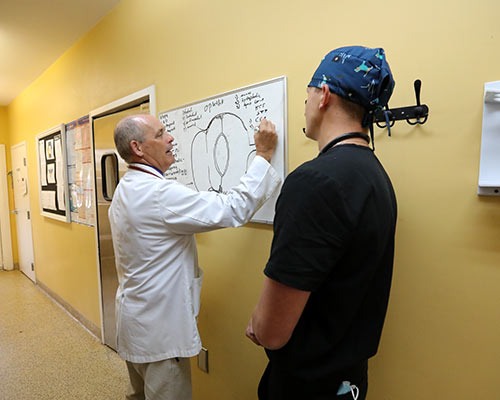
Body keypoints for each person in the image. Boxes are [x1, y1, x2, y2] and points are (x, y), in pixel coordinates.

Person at [246, 46, 398, 400]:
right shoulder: (375, 176)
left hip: (307, 385)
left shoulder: (315, 182)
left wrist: (259, 321)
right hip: (350, 381)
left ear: (324, 95)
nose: (305, 104)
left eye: (307, 95)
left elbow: (271, 332)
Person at [108, 114, 281, 400]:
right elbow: (232, 208)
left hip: (135, 325)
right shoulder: (159, 194)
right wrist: (262, 155)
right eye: (161, 133)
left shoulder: (127, 188)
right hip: (160, 334)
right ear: (138, 148)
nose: (170, 138)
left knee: (137, 395)